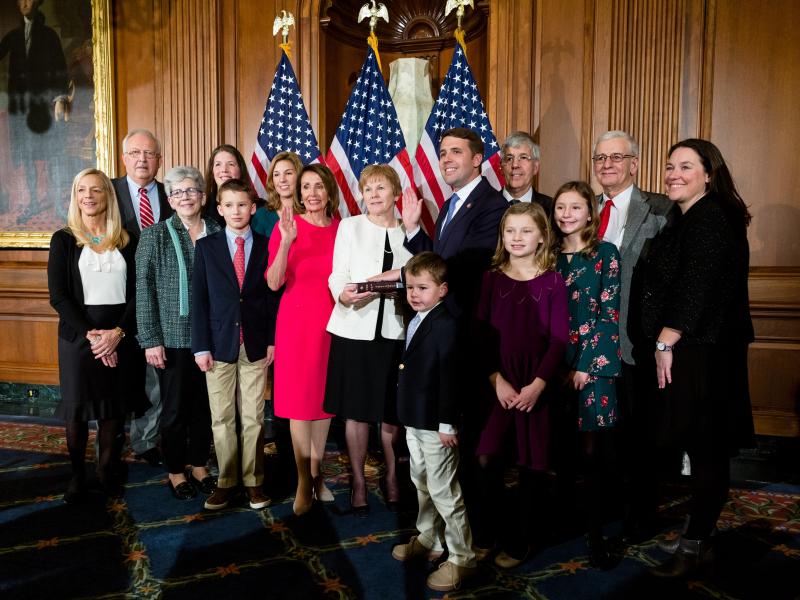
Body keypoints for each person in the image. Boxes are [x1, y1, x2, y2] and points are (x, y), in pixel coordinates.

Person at [641, 139, 754, 577]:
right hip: (695, 348)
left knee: (707, 449)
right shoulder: (686, 217)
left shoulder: (711, 218)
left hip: (703, 352)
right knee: (700, 446)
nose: (673, 173)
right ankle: (699, 537)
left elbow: (697, 285)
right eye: (669, 166)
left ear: (709, 173)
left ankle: (693, 547)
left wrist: (666, 341)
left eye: (685, 166)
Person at [472, 202, 568, 567]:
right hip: (500, 381)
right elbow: (480, 334)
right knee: (486, 457)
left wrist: (538, 385)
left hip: (535, 384)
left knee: (532, 464)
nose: (516, 237)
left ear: (542, 236)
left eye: (525, 231)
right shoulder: (491, 278)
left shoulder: (553, 281)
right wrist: (496, 379)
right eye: (510, 231)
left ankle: (521, 539)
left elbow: (560, 339)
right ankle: (489, 531)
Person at [591, 130, 672, 542]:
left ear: (634, 164)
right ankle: (604, 509)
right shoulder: (584, 210)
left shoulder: (660, 209)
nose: (607, 165)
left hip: (635, 341)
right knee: (601, 436)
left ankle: (640, 515)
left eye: (616, 157)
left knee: (639, 434)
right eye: (600, 158)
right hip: (592, 344)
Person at [47, 168, 145, 502]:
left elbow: (138, 293)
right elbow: (59, 296)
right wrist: (95, 337)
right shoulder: (63, 239)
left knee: (112, 410)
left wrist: (116, 334)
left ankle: (106, 469)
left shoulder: (127, 237)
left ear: (108, 196)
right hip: (78, 337)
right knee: (77, 411)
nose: (88, 196)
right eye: (81, 190)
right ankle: (77, 475)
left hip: (120, 331)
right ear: (75, 197)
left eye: (96, 190)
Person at [323, 165, 413, 516]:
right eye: (368, 189)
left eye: (381, 188)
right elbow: (338, 275)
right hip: (354, 330)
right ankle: (358, 481)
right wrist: (343, 294)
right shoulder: (350, 227)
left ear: (395, 193)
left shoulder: (410, 230)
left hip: (396, 333)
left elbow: (414, 277)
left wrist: (383, 288)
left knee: (392, 413)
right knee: (357, 413)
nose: (374, 195)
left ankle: (392, 478)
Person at [391, 252, 477, 592]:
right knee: (421, 479)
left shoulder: (446, 324)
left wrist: (446, 423)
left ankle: (462, 557)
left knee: (444, 490)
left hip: (435, 424)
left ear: (442, 290)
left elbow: (449, 377)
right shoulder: (418, 318)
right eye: (410, 287)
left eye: (422, 287)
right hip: (414, 417)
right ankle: (430, 537)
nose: (414, 294)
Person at [136, 166, 221, 501]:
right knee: (174, 411)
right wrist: (150, 339)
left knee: (205, 407)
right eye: (178, 192)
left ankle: (199, 466)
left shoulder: (218, 230)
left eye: (191, 191)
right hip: (172, 338)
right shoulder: (154, 236)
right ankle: (175, 471)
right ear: (170, 200)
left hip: (212, 337)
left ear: (202, 196)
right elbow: (143, 290)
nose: (185, 197)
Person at [191, 178, 275, 511]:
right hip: (218, 344)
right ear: (220, 209)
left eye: (243, 204)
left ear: (252, 208)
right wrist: (201, 346)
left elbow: (272, 298)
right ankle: (226, 481)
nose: (237, 211)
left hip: (255, 345)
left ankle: (254, 482)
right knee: (222, 417)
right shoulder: (207, 247)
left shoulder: (268, 245)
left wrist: (272, 340)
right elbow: (199, 300)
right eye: (230, 205)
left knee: (253, 417)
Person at [553, 181, 622, 569]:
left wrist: (583, 365)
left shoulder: (605, 254)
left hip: (593, 366)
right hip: (555, 364)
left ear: (589, 212)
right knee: (560, 450)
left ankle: (597, 535)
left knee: (592, 453)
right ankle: (562, 522)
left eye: (575, 207)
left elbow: (607, 313)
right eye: (561, 207)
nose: (566, 214)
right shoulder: (548, 256)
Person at [266, 164, 339, 516]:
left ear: (329, 192)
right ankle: (302, 481)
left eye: (318, 186)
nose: (311, 193)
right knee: (299, 404)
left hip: (332, 324)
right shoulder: (287, 228)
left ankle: (318, 473)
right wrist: (287, 242)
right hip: (295, 324)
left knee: (323, 403)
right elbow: (273, 282)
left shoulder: (344, 230)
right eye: (305, 187)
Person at [402, 127, 507, 322]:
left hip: (468, 319)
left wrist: (404, 274)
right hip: (444, 317)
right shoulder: (450, 204)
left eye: (456, 152)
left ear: (477, 160)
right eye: (443, 153)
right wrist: (413, 228)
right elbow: (439, 256)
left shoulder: (493, 204)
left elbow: (468, 265)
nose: (446, 159)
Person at [112, 128, 171, 468]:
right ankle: (113, 435)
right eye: (135, 153)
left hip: (158, 300)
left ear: (159, 160)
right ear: (124, 158)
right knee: (119, 373)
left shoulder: (170, 195)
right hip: (116, 300)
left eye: (149, 154)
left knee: (153, 375)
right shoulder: (109, 191)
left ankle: (146, 439)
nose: (142, 160)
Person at [0, 0, 70, 223]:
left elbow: (60, 68)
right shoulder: (13, 36)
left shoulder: (49, 35)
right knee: (28, 156)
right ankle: (32, 201)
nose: (24, 3)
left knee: (52, 154)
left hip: (44, 107)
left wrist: (60, 98)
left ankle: (58, 204)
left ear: (37, 3)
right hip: (21, 109)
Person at [251, 150, 302, 241]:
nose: (282, 179)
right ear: (272, 180)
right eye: (276, 174)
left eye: (288, 173)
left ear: (299, 176)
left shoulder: (309, 212)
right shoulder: (262, 215)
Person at [202, 144, 255, 227]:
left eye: (231, 164)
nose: (224, 170)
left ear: (240, 169)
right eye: (218, 164)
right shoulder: (202, 207)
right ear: (212, 171)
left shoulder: (259, 208)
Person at [499, 131, 552, 212]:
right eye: (509, 158)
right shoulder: (484, 206)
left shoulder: (551, 208)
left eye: (523, 157)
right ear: (502, 167)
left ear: (535, 167)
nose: (515, 165)